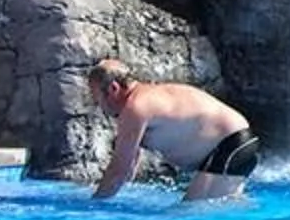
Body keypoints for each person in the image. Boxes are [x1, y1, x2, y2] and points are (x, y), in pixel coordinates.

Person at [86, 57, 262, 203]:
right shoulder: (145, 99)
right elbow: (128, 167)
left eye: (98, 99)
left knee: (190, 212)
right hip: (237, 145)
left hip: (231, 145)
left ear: (113, 89)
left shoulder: (136, 108)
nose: (99, 107)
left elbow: (118, 170)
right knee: (225, 207)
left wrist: (92, 208)